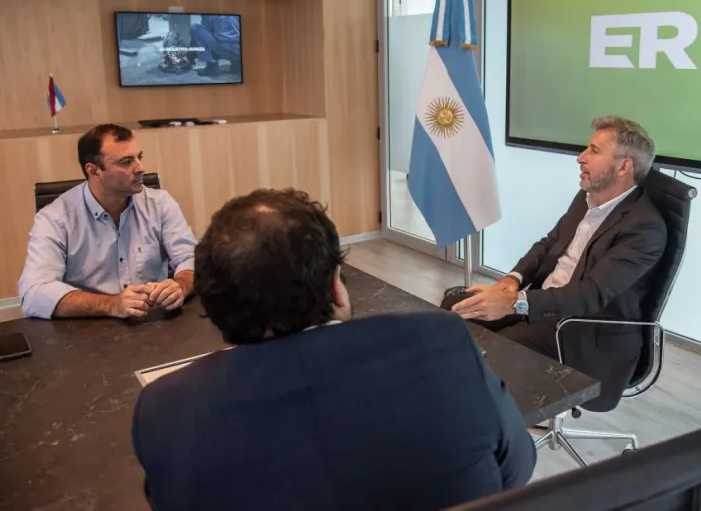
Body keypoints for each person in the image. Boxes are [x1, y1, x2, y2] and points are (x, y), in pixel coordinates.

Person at [131, 189, 536, 511]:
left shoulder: (166, 410)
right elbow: (516, 470)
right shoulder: (443, 342)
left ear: (217, 309)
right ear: (335, 287)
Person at [445, 116, 667, 408]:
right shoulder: (587, 197)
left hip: (580, 331)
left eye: (594, 151)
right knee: (454, 310)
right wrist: (511, 281)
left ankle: (488, 421)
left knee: (492, 350)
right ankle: (448, 402)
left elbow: (590, 295)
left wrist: (514, 303)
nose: (580, 158)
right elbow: (549, 244)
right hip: (542, 305)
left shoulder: (644, 228)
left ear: (624, 166)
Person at [17, 124, 197, 320]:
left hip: (153, 323)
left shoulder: (160, 204)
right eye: (126, 162)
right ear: (94, 171)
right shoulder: (55, 219)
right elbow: (34, 293)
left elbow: (192, 258)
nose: (140, 168)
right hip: (87, 328)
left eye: (139, 157)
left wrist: (180, 285)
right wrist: (112, 304)